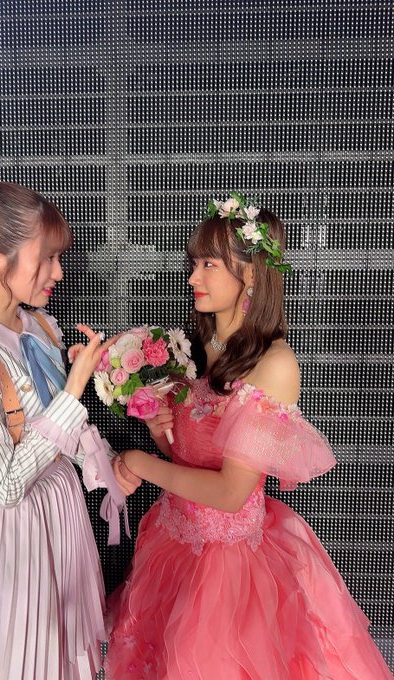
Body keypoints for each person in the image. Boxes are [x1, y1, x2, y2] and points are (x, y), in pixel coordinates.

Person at [104, 193, 393, 679]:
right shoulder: (197, 345)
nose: (193, 278)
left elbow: (230, 492)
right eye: (194, 263)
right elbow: (191, 459)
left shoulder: (274, 364)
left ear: (252, 274)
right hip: (174, 542)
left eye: (209, 265)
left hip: (230, 568)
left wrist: (138, 461)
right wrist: (159, 432)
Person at [0, 179, 139, 680]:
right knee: (13, 659)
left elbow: (56, 436)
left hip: (59, 512)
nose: (59, 272)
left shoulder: (39, 326)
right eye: (47, 258)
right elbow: (5, 483)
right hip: (3, 533)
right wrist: (73, 390)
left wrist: (107, 467)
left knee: (57, 657)